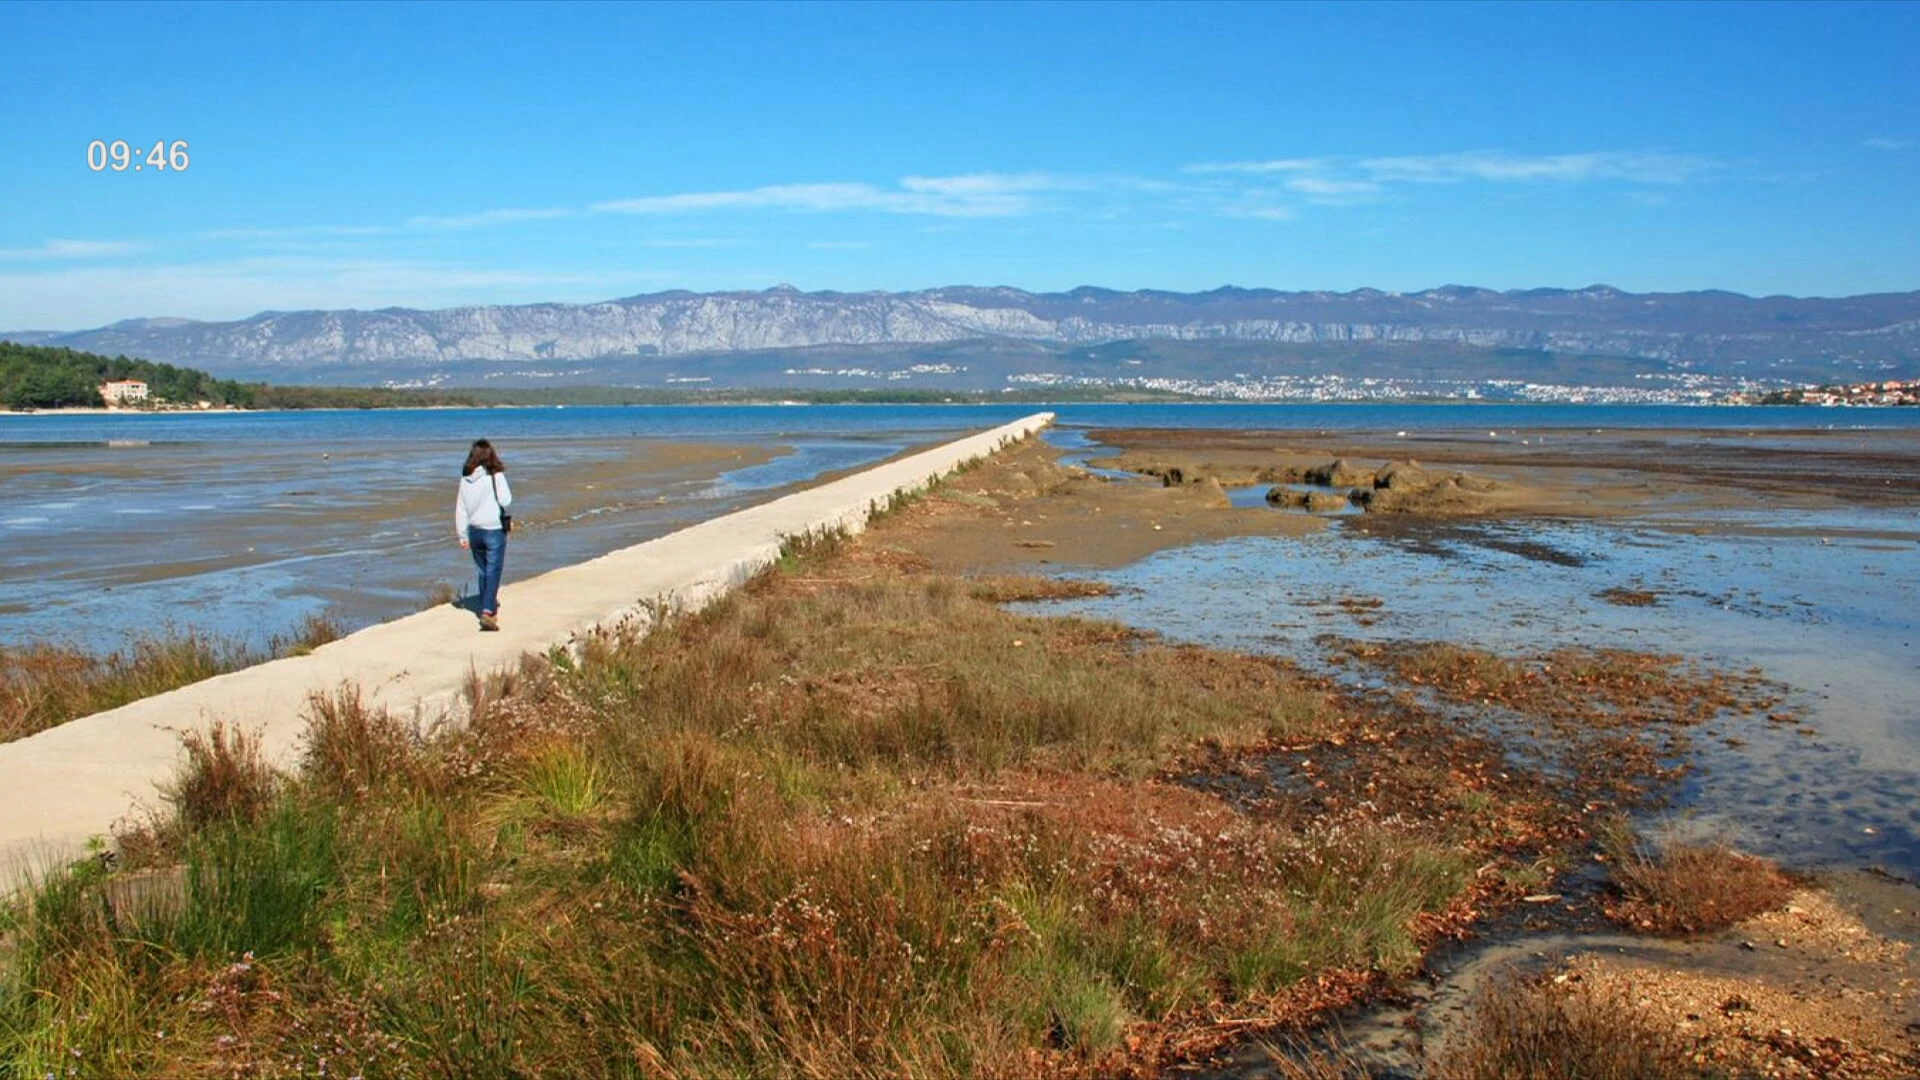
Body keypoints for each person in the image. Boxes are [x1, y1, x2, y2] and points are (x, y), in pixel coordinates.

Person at [454, 438, 513, 631]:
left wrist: (462, 535)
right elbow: (506, 500)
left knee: (482, 570)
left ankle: (485, 604)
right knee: (493, 570)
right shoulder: (495, 476)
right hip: (493, 529)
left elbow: (461, 509)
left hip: (474, 531)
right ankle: (488, 610)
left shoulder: (465, 479)